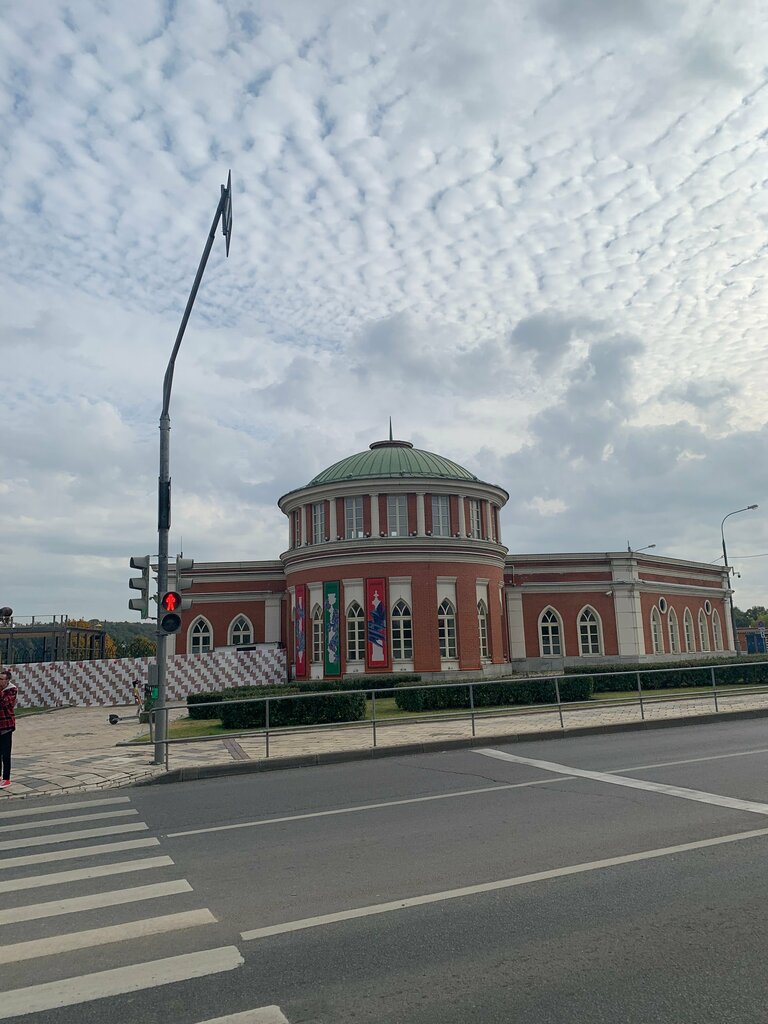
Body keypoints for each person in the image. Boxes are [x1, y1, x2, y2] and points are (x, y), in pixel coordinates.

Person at [0, 668, 17, 789]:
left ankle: (6, 778)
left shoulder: (12, 690)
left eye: (1, 679)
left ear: (7, 680)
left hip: (6, 725)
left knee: (6, 753)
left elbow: (6, 703)